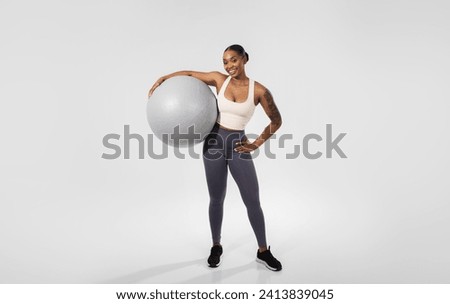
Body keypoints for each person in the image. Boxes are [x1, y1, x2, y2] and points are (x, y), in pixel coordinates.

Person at [148, 44, 282, 271]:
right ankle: (216, 246)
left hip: (238, 146)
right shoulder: (220, 80)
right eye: (225, 62)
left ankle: (263, 251)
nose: (229, 66)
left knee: (252, 201)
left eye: (234, 60)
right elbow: (190, 75)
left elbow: (276, 121)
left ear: (244, 59)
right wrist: (165, 78)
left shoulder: (259, 91)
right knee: (216, 198)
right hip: (213, 145)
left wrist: (256, 143)